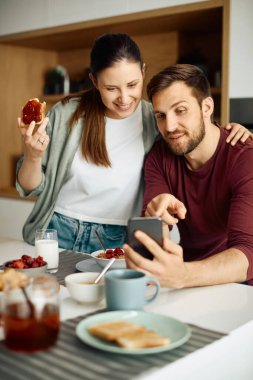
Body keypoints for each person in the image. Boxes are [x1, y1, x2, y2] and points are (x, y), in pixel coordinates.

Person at [16, 34, 251, 253]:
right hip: (58, 230)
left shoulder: (155, 118)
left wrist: (235, 130)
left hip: (117, 238)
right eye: (111, 88)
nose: (124, 99)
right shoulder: (67, 113)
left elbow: (191, 131)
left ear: (143, 71)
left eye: (132, 85)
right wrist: (33, 155)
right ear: (94, 81)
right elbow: (30, 188)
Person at [123, 64, 253, 287]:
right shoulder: (159, 157)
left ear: (207, 107)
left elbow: (248, 254)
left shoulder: (244, 157)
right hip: (187, 277)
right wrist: (157, 218)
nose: (170, 126)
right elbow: (157, 232)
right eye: (161, 116)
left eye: (180, 110)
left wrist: (183, 275)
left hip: (239, 285)